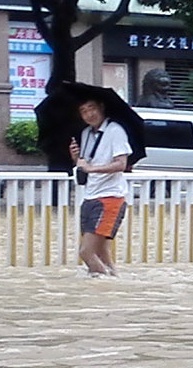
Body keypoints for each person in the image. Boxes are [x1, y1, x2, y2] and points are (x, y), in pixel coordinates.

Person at [68, 96, 131, 278]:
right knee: (102, 252)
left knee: (86, 252)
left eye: (91, 108)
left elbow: (121, 164)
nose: (89, 114)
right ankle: (113, 281)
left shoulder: (115, 131)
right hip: (90, 196)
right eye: (83, 111)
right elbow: (86, 164)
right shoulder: (86, 133)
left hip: (110, 198)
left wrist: (91, 168)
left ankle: (103, 285)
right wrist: (76, 158)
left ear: (101, 107)